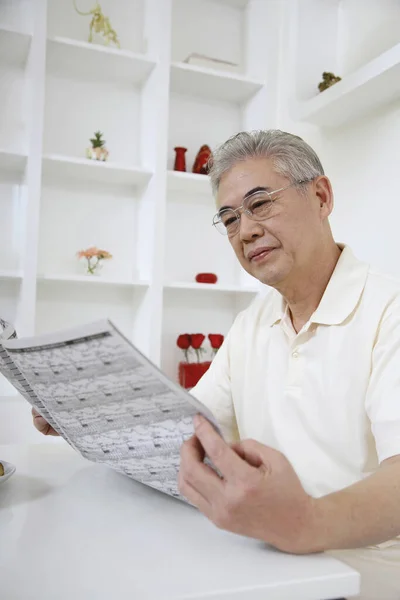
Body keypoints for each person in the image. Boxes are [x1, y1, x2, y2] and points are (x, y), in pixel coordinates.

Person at [33, 130, 400, 599]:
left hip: (360, 583)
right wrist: (88, 413)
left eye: (261, 203)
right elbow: (187, 427)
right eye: (229, 218)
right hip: (263, 563)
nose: (245, 230)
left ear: (321, 196)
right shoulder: (253, 322)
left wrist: (305, 522)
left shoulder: (389, 310)